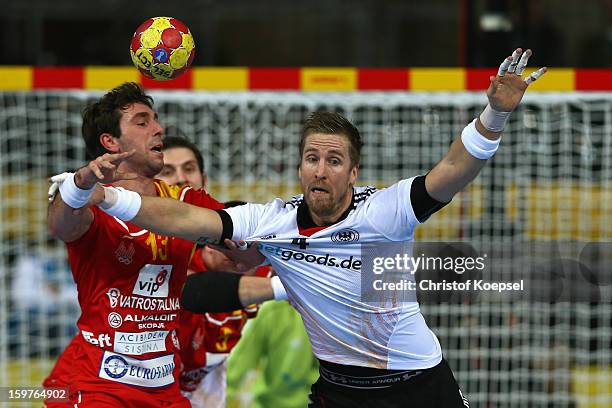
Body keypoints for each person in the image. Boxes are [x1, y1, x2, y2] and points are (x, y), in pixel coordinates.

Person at [87, 49, 546, 407]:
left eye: (333, 160)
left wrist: (495, 116)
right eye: (312, 159)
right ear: (300, 168)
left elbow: (450, 170)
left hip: (418, 384)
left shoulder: (384, 212)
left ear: (352, 170)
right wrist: (110, 198)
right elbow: (189, 219)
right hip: (338, 389)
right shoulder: (274, 221)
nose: (321, 171)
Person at [45, 82, 279, 407]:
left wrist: (257, 255)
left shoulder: (185, 199)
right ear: (110, 141)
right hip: (97, 385)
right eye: (143, 122)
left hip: (164, 387)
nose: (159, 128)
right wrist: (78, 186)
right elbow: (60, 225)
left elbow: (247, 253)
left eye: (156, 120)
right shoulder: (89, 200)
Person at [156, 136, 278, 408]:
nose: (180, 179)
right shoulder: (146, 243)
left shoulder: (240, 233)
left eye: (188, 169)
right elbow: (193, 290)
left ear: (203, 179)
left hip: (204, 388)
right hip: (138, 383)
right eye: (167, 172)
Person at [226, 299, 319, 408]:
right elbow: (237, 366)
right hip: (266, 403)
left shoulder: (320, 314)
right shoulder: (271, 311)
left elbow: (324, 369)